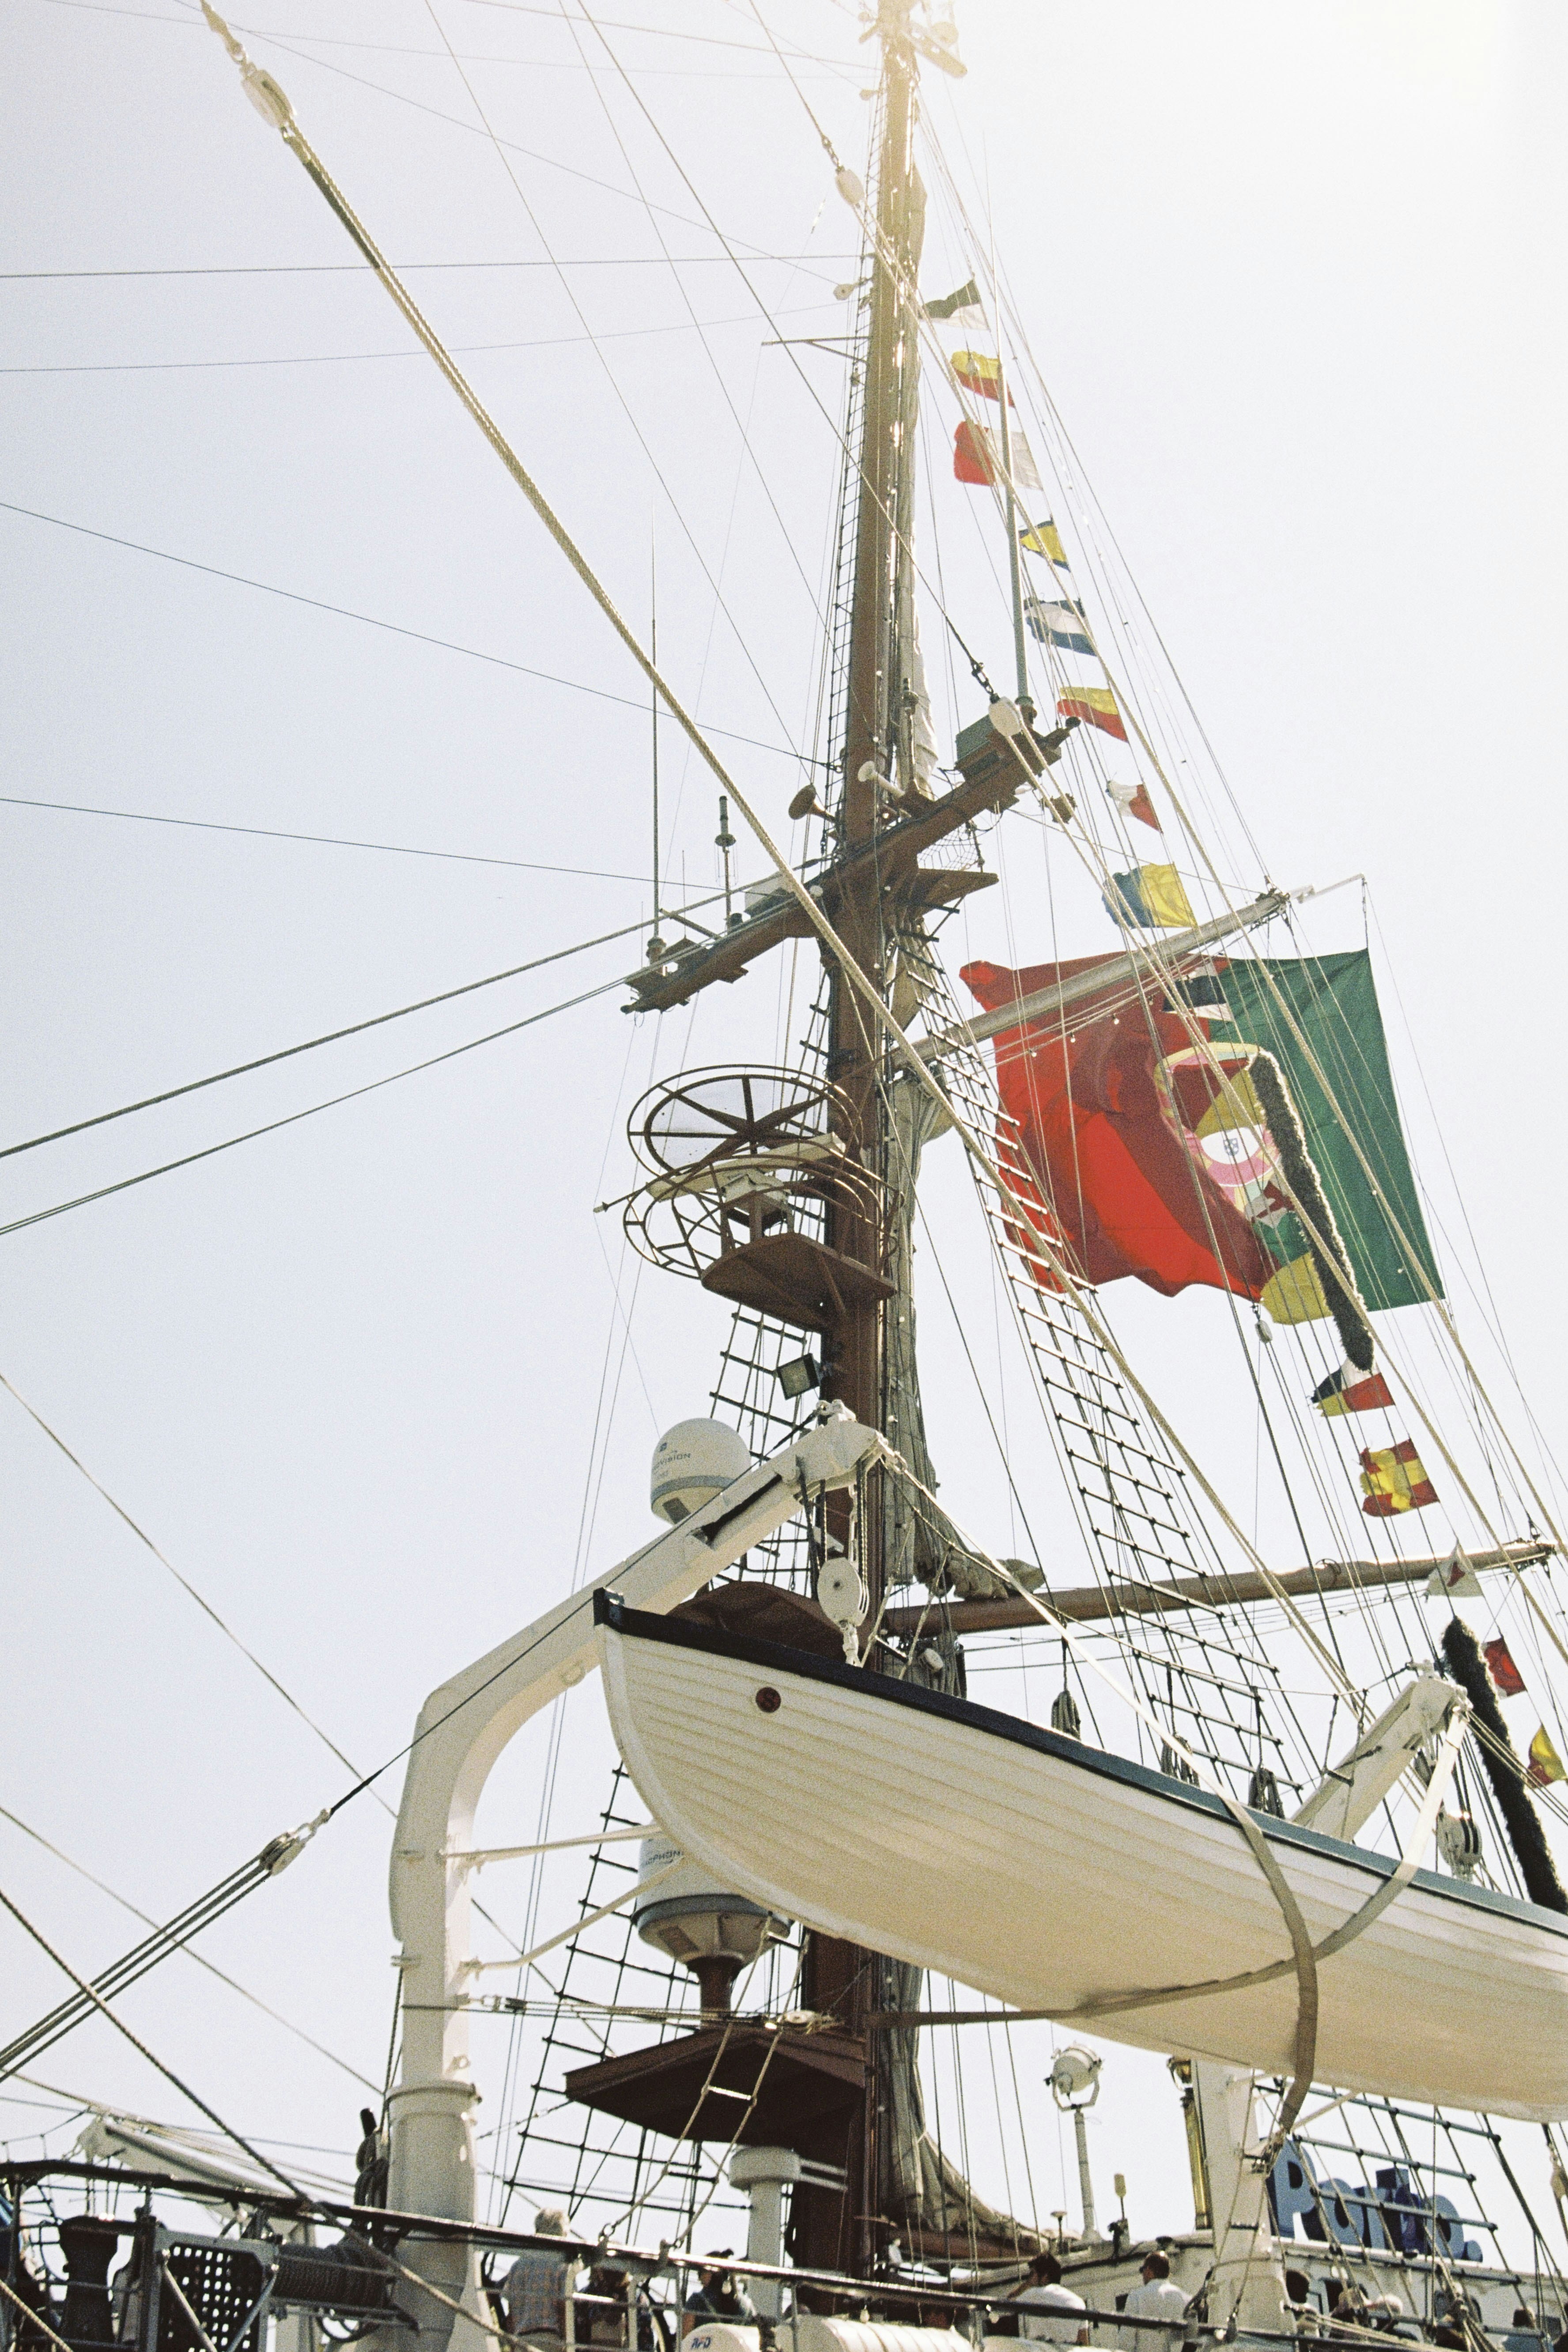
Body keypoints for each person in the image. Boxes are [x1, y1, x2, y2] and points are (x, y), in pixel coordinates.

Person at [505, 2211, 574, 2348]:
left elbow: (511, 2311)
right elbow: (564, 2308)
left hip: (521, 2339)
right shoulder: (562, 2265)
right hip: (549, 2338)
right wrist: (568, 2344)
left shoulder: (518, 2266)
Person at [1010, 2252, 1088, 2347]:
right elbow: (1084, 2344)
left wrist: (1025, 2286)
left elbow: (1006, 2305)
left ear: (1045, 2276)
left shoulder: (1031, 2296)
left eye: (1032, 2274)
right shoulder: (1079, 2302)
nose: (1029, 2278)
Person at [1119, 2251, 1187, 2351]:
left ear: (1149, 2271)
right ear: (1168, 2273)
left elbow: (1126, 2341)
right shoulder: (1182, 2297)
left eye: (1143, 2270)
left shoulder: (1137, 2296)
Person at [681, 2255, 756, 2340]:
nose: (700, 2278)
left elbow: (684, 2337)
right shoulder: (748, 2305)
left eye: (702, 2272)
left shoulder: (697, 2300)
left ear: (712, 2273)